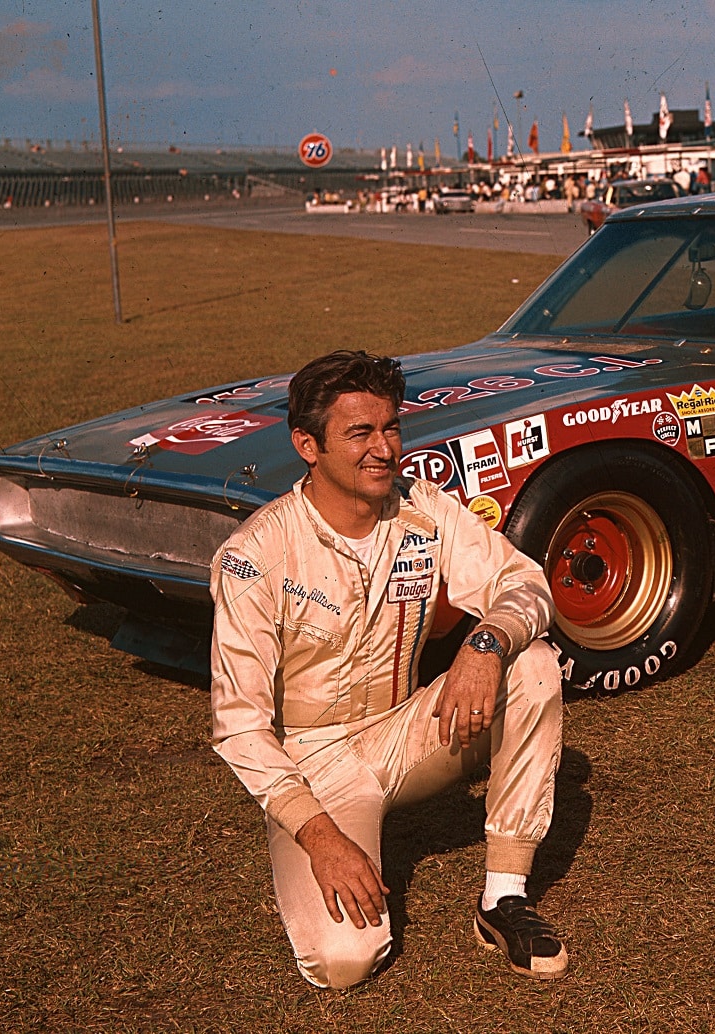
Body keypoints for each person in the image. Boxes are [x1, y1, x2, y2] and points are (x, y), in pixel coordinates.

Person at [209, 350, 567, 989]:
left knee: (531, 663)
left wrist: (484, 646)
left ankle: (503, 896)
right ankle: (310, 838)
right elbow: (239, 726)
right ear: (307, 445)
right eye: (359, 433)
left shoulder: (422, 510)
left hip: (403, 732)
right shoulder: (254, 555)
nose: (383, 449)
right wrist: (319, 837)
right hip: (313, 767)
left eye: (391, 428)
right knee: (343, 962)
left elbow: (525, 583)